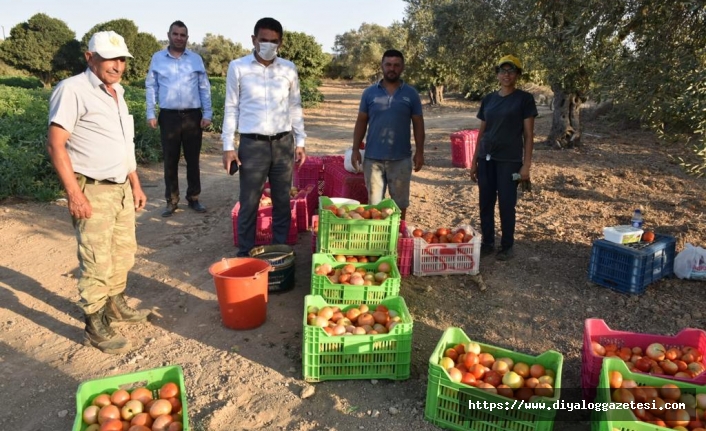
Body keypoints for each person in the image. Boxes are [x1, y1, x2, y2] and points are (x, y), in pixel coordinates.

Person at [46, 31, 151, 355]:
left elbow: (123, 145)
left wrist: (135, 183)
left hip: (120, 188)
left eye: (121, 59)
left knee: (123, 252)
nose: (117, 65)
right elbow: (56, 143)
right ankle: (95, 322)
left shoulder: (117, 92)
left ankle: (116, 304)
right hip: (92, 189)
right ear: (89, 57)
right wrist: (75, 195)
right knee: (95, 259)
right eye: (109, 58)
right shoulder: (72, 90)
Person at [222, 17, 307, 257]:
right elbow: (231, 107)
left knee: (281, 201)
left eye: (274, 41)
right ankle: (245, 253)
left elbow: (295, 106)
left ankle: (280, 252)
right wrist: (228, 146)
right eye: (263, 40)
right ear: (253, 40)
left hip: (283, 143)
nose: (268, 45)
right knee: (249, 201)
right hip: (252, 144)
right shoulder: (238, 67)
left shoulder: (288, 68)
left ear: (280, 43)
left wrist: (300, 141)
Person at [470, 55, 537, 261]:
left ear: (517, 75)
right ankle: (488, 243)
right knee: (485, 202)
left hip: (510, 161)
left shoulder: (524, 99)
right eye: (502, 71)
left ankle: (507, 245)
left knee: (507, 203)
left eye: (511, 71)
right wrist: (474, 161)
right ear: (497, 74)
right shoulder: (489, 99)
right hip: (486, 158)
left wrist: (526, 166)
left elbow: (528, 135)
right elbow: (482, 131)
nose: (506, 75)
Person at [146, 20, 213, 217]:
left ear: (187, 38)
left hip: (193, 116)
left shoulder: (195, 60)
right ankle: (171, 200)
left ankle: (193, 197)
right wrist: (151, 113)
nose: (179, 38)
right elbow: (151, 87)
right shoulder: (158, 59)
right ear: (169, 35)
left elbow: (204, 87)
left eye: (183, 35)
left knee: (193, 159)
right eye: (175, 34)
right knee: (170, 159)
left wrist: (207, 114)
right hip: (169, 117)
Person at [351, 49, 425, 220]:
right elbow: (361, 120)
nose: (392, 68)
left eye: (396, 65)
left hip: (401, 159)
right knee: (374, 207)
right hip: (373, 159)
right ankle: (378, 241)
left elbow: (418, 124)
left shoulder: (411, 94)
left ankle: (398, 237)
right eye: (388, 64)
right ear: (382, 66)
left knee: (400, 205)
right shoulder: (369, 93)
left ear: (402, 68)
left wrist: (420, 151)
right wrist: (355, 148)